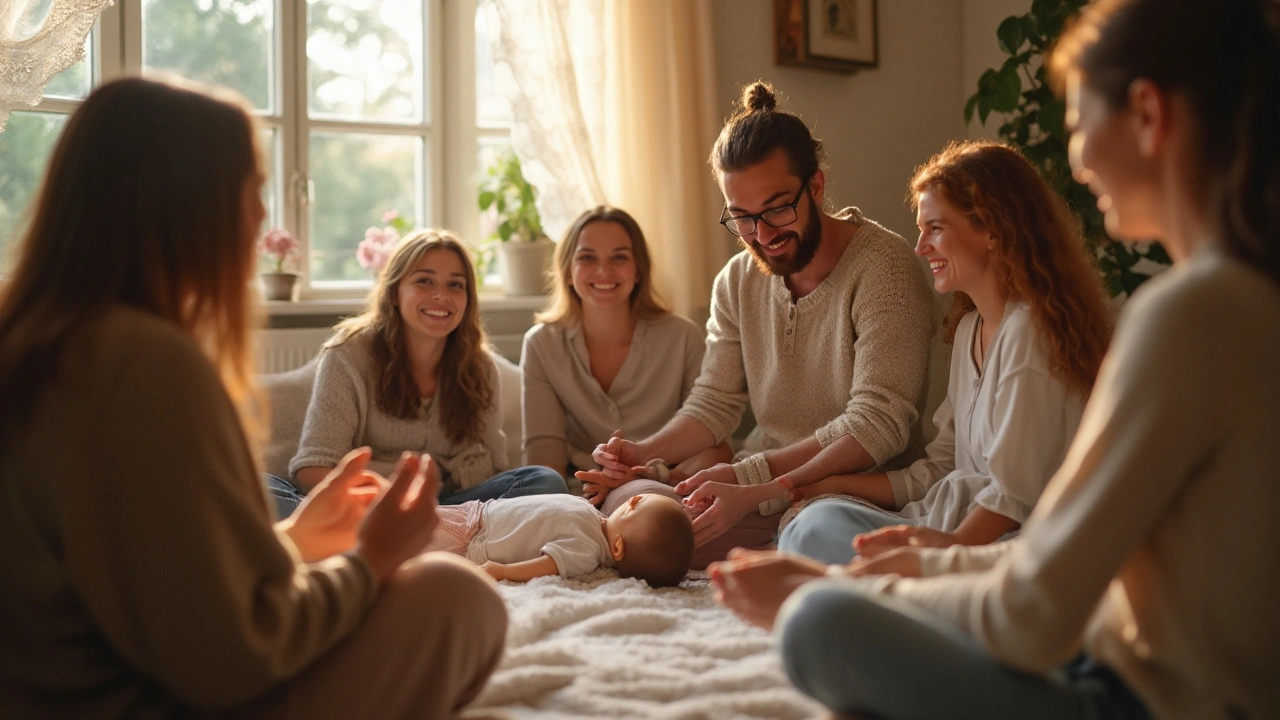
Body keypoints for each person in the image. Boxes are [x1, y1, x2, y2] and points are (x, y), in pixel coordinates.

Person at [711, 0, 1280, 718]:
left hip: (1139, 698)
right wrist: (923, 561)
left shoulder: (1188, 316)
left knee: (816, 625)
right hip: (1106, 644)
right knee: (831, 558)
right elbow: (1060, 565)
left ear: (1146, 114)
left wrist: (827, 591)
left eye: (1076, 122)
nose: (1074, 157)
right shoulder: (1239, 298)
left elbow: (1035, 610)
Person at [0, 76, 506, 719]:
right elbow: (229, 656)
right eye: (252, 191)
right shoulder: (149, 361)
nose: (263, 217)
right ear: (187, 204)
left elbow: (152, 576)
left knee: (530, 484)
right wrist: (372, 557)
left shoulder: (38, 337)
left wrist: (294, 539)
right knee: (455, 596)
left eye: (455, 284)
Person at [590, 81, 936, 563]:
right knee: (630, 515)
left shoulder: (885, 269)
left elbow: (877, 425)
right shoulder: (736, 281)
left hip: (849, 490)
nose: (762, 235)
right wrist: (646, 453)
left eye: (776, 209)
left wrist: (746, 478)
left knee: (787, 531)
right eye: (742, 218)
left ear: (816, 186)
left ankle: (777, 544)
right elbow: (714, 403)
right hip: (758, 482)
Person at [772, 140, 1113, 565]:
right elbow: (939, 470)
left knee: (815, 537)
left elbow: (1011, 501)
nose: (920, 247)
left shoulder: (1028, 332)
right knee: (815, 520)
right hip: (948, 526)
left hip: (1007, 550)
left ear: (993, 229)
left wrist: (932, 561)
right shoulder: (970, 329)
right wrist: (829, 485)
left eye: (935, 228)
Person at [289, 230, 567, 505]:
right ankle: (431, 532)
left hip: (455, 505)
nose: (441, 296)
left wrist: (441, 475)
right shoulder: (347, 356)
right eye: (424, 281)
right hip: (369, 505)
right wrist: (404, 475)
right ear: (394, 292)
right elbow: (313, 471)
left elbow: (492, 468)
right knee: (265, 492)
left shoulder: (479, 367)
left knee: (545, 482)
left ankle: (440, 529)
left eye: (455, 285)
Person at [521, 205, 730, 506]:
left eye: (619, 257)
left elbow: (717, 449)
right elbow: (544, 458)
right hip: (580, 495)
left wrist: (662, 479)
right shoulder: (542, 345)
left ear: (638, 270)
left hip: (669, 490)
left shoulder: (682, 337)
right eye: (587, 258)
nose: (604, 271)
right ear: (568, 271)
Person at [425, 493, 694, 588]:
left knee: (401, 535)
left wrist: (502, 571)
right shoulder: (595, 519)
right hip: (478, 513)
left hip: (473, 540)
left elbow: (549, 564)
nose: (633, 498)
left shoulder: (587, 549)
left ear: (618, 547)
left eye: (637, 507)